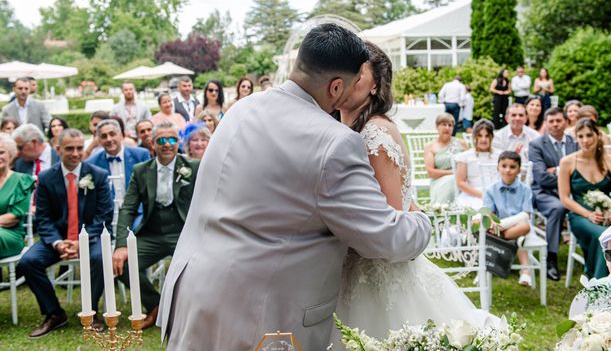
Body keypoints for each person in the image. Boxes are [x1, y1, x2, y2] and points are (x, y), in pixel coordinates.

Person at [157, 22, 432, 350]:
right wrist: (420, 220)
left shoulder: (240, 110)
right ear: (334, 88)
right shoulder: (334, 144)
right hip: (259, 317)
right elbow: (384, 238)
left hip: (193, 291)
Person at [330, 42, 495, 345]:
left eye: (358, 72)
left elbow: (391, 219)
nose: (347, 78)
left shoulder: (374, 133)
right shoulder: (348, 129)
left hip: (377, 273)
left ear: (375, 85)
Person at [17, 128, 113, 338]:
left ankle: (92, 310)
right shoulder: (46, 177)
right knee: (27, 262)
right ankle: (54, 313)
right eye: (69, 148)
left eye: (79, 148)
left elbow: (104, 215)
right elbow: (43, 218)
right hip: (58, 237)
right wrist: (58, 243)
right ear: (58, 148)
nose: (76, 153)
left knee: (99, 257)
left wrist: (82, 242)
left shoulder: (97, 175)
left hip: (91, 237)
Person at [113, 122, 200, 330]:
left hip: (183, 234)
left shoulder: (193, 167)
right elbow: (128, 209)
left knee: (203, 267)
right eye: (162, 140)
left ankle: (193, 313)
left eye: (172, 139)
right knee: (122, 265)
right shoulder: (141, 171)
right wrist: (121, 245)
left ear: (178, 141)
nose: (167, 144)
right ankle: (157, 305)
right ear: (153, 143)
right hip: (152, 234)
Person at [558, 118, 611, 279]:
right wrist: (589, 215)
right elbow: (564, 198)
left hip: (607, 214)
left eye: (589, 135)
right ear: (576, 138)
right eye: (581, 136)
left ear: (598, 135)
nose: (585, 140)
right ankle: (599, 283)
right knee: (604, 236)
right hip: (580, 216)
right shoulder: (568, 162)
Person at [528, 107, 579, 281]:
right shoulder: (536, 145)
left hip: (573, 192)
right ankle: (551, 258)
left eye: (558, 121)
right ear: (546, 123)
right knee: (557, 208)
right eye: (551, 121)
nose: (555, 124)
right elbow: (541, 177)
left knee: (591, 207)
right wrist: (566, 172)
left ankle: (594, 256)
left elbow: (582, 173)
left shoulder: (575, 142)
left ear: (566, 122)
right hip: (545, 193)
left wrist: (555, 171)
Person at [86, 119, 150, 232]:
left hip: (137, 214)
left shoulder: (141, 155)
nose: (109, 139)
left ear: (121, 135)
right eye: (104, 136)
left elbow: (148, 189)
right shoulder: (92, 163)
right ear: (99, 141)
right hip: (107, 218)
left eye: (112, 134)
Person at [483, 151, 534, 287]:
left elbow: (526, 214)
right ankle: (525, 270)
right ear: (498, 167)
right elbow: (489, 212)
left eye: (512, 167)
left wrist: (504, 226)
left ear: (519, 170)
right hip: (497, 226)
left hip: (516, 226)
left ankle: (520, 269)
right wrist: (494, 222)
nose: (508, 170)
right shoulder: (490, 190)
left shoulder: (525, 189)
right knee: (485, 225)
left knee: (525, 227)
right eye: (504, 166)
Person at [0, 134, 35, 258]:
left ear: (11, 154)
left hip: (11, 235)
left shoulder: (21, 181)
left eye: (1, 152)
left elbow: (14, 217)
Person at [455, 119, 502, 210]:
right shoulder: (465, 156)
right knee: (481, 208)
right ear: (474, 137)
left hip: (496, 192)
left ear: (492, 137)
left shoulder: (499, 155)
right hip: (474, 194)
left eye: (487, 136)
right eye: (480, 136)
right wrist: (482, 195)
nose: (483, 139)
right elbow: (460, 183)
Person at [424, 113, 468, 204]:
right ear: (437, 127)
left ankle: (443, 210)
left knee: (455, 180)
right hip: (440, 180)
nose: (447, 128)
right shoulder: (430, 146)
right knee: (452, 180)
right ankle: (442, 209)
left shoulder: (461, 143)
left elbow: (470, 163)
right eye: (444, 124)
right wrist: (453, 173)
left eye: (450, 125)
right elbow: (431, 173)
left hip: (462, 179)